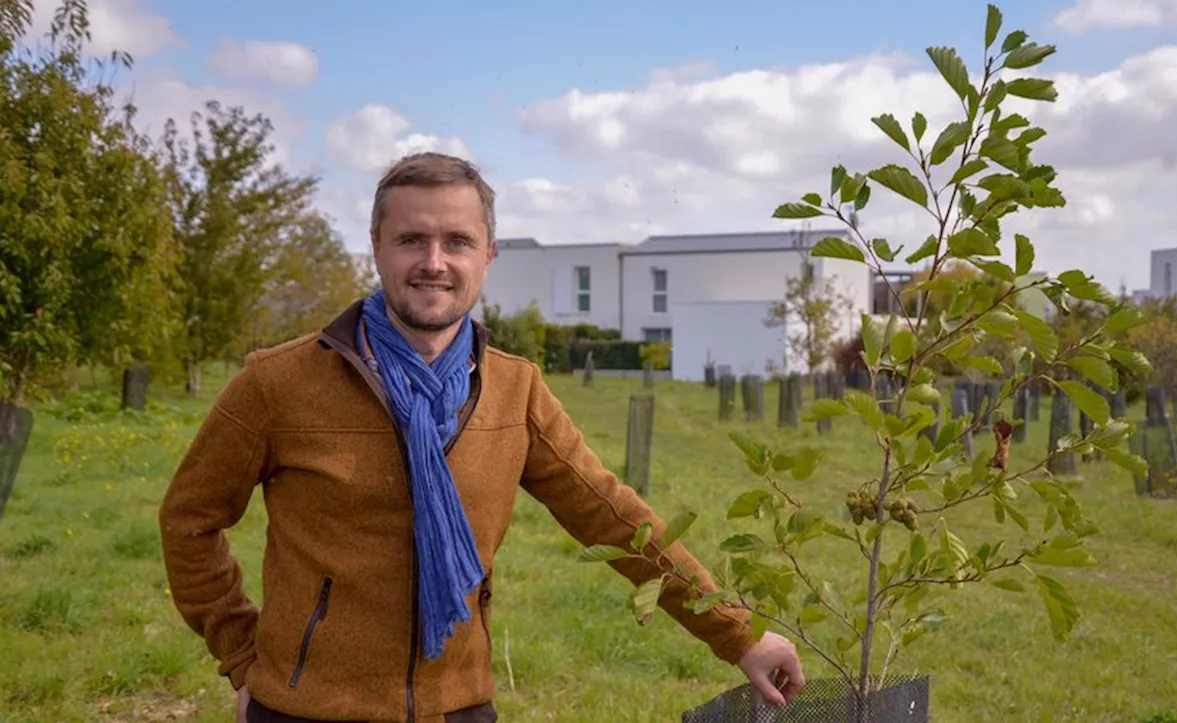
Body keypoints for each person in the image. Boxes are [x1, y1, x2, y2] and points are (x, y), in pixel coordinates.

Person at [158, 151, 805, 723]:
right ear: (377, 247)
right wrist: (244, 656)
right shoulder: (280, 381)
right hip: (306, 707)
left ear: (488, 255)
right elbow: (189, 519)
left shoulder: (513, 389)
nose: (433, 262)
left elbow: (614, 519)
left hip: (458, 704)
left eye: (457, 241)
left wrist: (738, 633)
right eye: (412, 239)